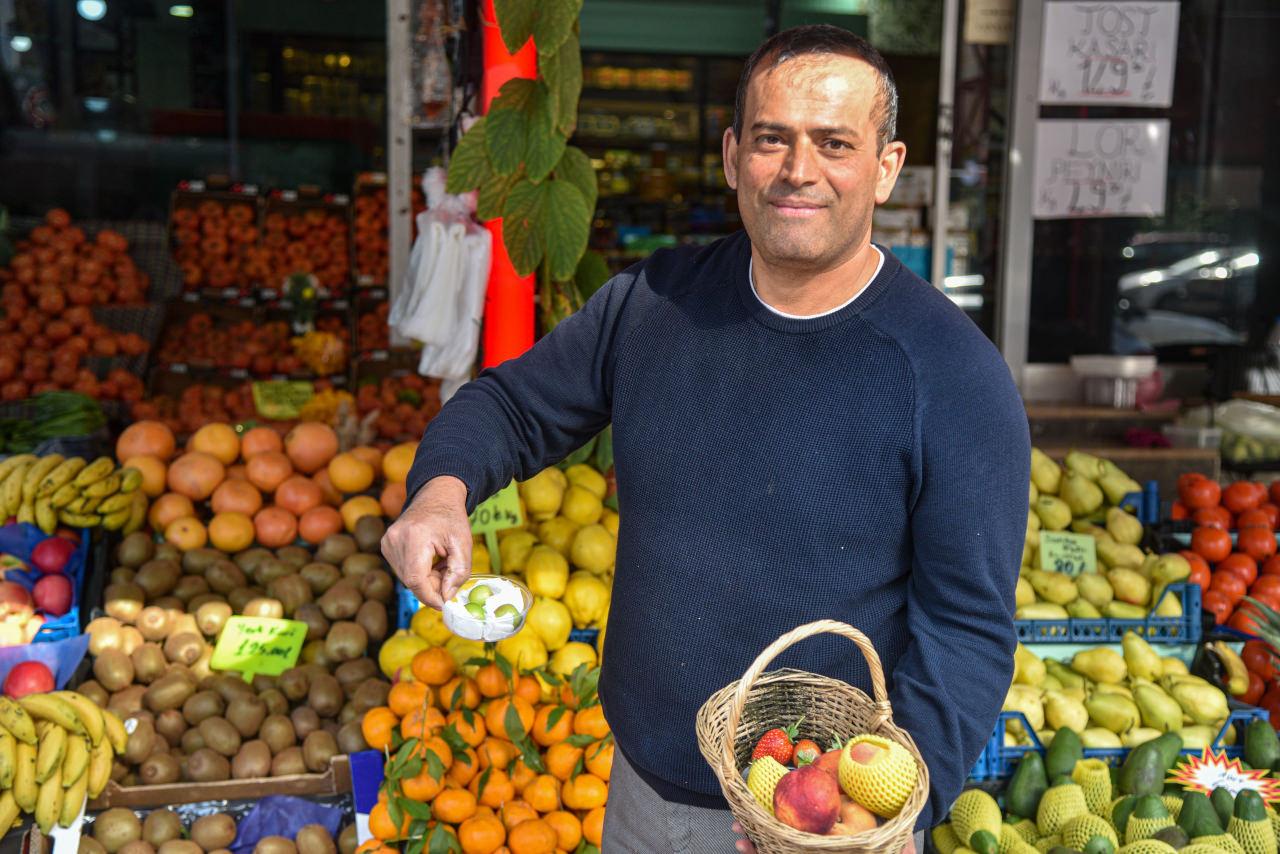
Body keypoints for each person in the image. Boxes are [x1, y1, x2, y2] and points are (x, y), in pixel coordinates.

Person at [382, 24, 1030, 853]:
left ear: (886, 167)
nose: (799, 170)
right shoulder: (653, 303)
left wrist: (907, 809)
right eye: (772, 139)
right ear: (732, 157)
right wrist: (441, 491)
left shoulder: (952, 373)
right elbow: (510, 406)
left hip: (819, 823)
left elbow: (969, 626)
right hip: (642, 793)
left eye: (834, 143)